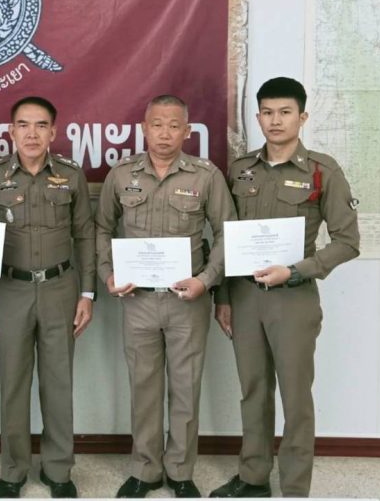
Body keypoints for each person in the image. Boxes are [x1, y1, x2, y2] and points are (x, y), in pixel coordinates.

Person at [209, 77, 359, 499]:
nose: (275, 121)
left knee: (295, 396)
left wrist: (296, 270)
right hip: (244, 297)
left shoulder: (322, 171)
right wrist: (223, 297)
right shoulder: (239, 170)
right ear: (258, 117)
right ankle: (253, 476)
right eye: (268, 113)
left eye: (285, 112)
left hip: (293, 297)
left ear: (302, 117)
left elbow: (348, 242)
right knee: (253, 391)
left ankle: (294, 486)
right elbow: (227, 237)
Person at [96, 95, 235, 499]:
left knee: (186, 389)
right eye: (157, 124)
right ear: (144, 128)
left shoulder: (206, 176)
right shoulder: (122, 174)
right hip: (137, 300)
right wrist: (108, 274)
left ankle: (180, 471)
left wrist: (206, 280)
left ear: (187, 131)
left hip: (186, 300)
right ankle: (145, 469)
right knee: (143, 387)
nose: (165, 133)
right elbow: (101, 228)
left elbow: (227, 232)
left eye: (174, 126)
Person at [0, 96, 95, 499]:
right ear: (11, 131)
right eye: (23, 125)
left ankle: (58, 469)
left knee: (58, 384)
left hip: (60, 288)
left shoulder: (71, 175)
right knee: (13, 384)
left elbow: (85, 236)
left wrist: (87, 293)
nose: (32, 133)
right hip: (10, 290)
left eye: (41, 125)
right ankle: (13, 469)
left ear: (53, 132)